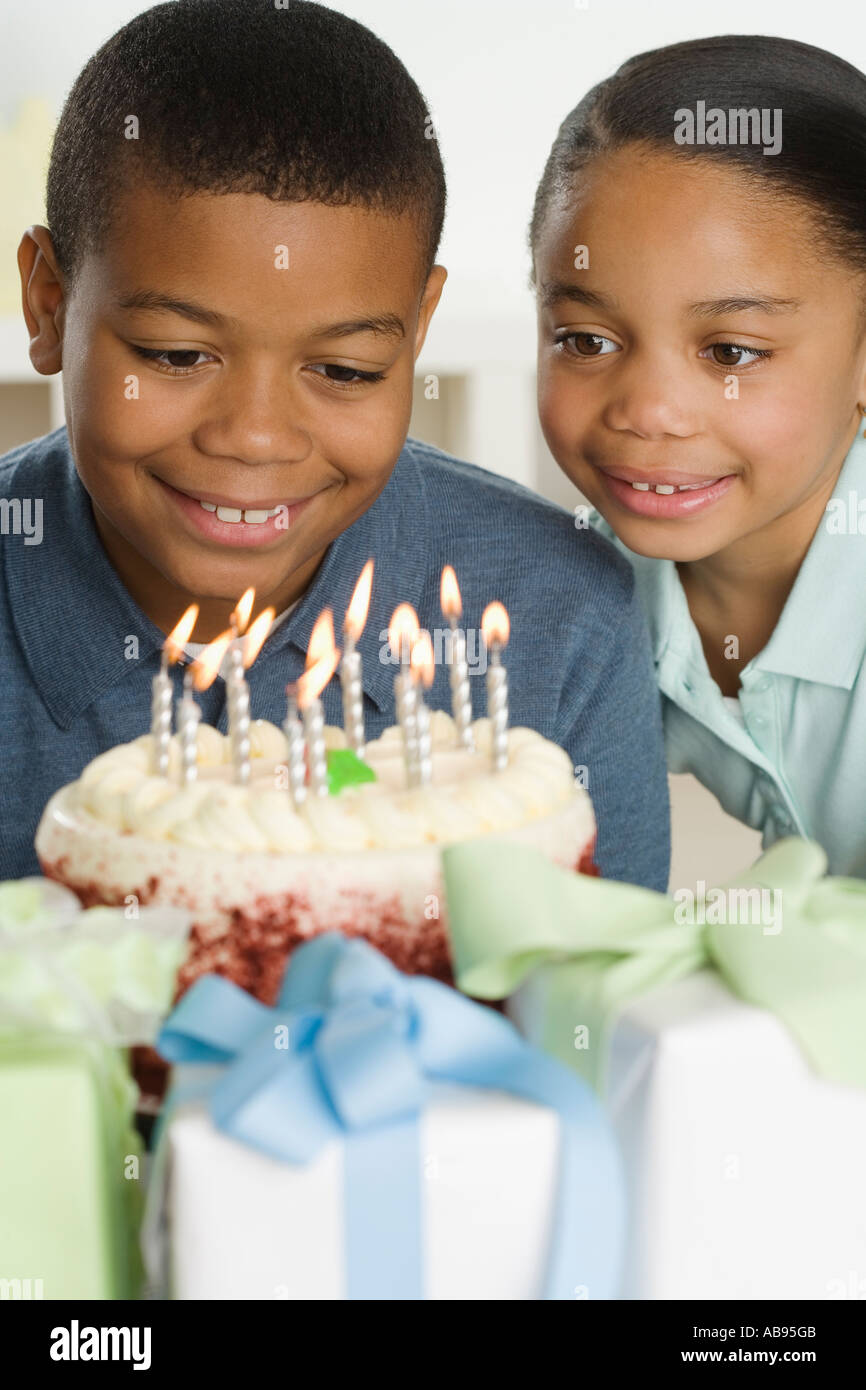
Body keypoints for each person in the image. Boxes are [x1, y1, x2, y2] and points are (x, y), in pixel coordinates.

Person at [0, 0, 670, 888]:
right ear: (49, 304)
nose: (254, 437)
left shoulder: (563, 620)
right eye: (175, 355)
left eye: (347, 370)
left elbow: (610, 1005)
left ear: (417, 330)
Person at [531, 34, 866, 876]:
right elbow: (437, 777)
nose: (647, 413)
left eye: (731, 353)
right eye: (586, 338)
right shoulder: (595, 593)